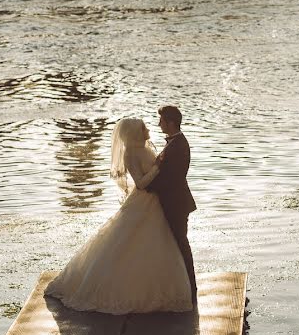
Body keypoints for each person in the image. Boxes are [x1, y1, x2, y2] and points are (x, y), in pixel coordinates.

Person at [44, 117, 193, 314]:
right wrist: (157, 167)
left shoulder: (147, 148)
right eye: (143, 127)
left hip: (155, 203)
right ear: (134, 133)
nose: (149, 128)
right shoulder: (130, 153)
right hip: (143, 202)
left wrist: (159, 167)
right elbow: (140, 183)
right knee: (129, 242)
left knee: (157, 244)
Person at [146, 105, 197, 303]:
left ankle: (190, 288)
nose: (159, 124)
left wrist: (146, 186)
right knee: (175, 244)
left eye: (162, 120)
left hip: (176, 203)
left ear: (171, 122)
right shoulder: (174, 143)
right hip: (174, 201)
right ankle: (179, 285)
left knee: (181, 243)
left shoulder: (178, 146)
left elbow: (172, 179)